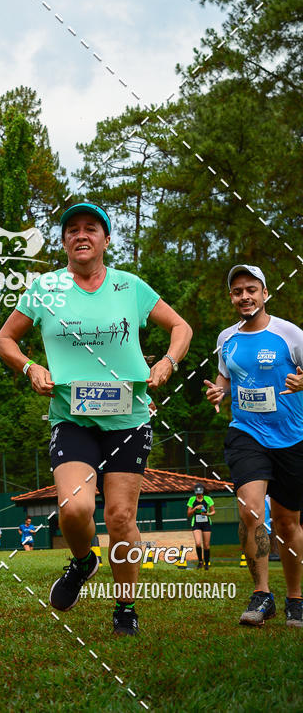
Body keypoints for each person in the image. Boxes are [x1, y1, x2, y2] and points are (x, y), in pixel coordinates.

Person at [0, 200, 192, 636]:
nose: (81, 235)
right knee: (74, 509)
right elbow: (4, 340)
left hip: (129, 417)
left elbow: (181, 328)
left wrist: (168, 364)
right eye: (72, 230)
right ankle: (84, 561)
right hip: (72, 417)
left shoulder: (130, 287)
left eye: (91, 228)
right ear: (64, 241)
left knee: (121, 517)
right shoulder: (44, 289)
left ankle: (125, 607)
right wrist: (30, 366)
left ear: (105, 239)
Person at [205, 264, 303, 628]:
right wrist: (219, 390)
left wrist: (301, 382)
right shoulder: (226, 338)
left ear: (264, 293)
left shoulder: (289, 335)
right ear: (231, 298)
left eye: (250, 289)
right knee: (250, 512)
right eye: (236, 291)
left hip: (291, 436)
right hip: (246, 432)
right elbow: (226, 375)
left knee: (287, 522)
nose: (244, 296)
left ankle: (296, 599)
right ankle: (262, 594)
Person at [186, 485, 215, 569]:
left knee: (206, 545)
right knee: (198, 543)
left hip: (206, 523)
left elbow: (213, 511)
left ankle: (206, 563)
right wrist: (195, 508)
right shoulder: (192, 499)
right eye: (197, 493)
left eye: (200, 493)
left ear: (203, 492)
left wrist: (207, 514)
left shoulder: (208, 499)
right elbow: (188, 514)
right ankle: (200, 562)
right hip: (196, 523)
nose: (198, 495)